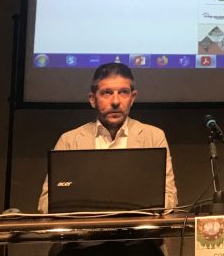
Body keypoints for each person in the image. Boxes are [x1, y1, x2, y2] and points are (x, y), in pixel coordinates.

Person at [38, 62, 178, 213]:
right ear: (92, 99)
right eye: (107, 93)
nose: (116, 101)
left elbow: (170, 199)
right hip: (84, 232)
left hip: (139, 233)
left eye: (123, 92)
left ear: (132, 98)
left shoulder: (153, 137)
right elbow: (45, 205)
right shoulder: (70, 140)